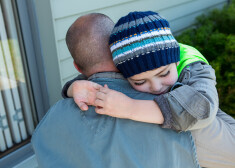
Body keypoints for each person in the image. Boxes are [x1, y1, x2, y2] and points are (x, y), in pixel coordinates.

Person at [63, 11, 235, 168]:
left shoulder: (193, 65)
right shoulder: (134, 66)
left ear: (175, 61)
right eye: (139, 82)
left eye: (164, 73)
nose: (156, 86)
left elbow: (201, 108)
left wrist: (130, 107)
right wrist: (73, 88)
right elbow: (96, 75)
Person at [31, 13, 200, 168]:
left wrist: (70, 88)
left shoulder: (45, 126)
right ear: (121, 56)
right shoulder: (174, 111)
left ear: (77, 67)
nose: (156, 87)